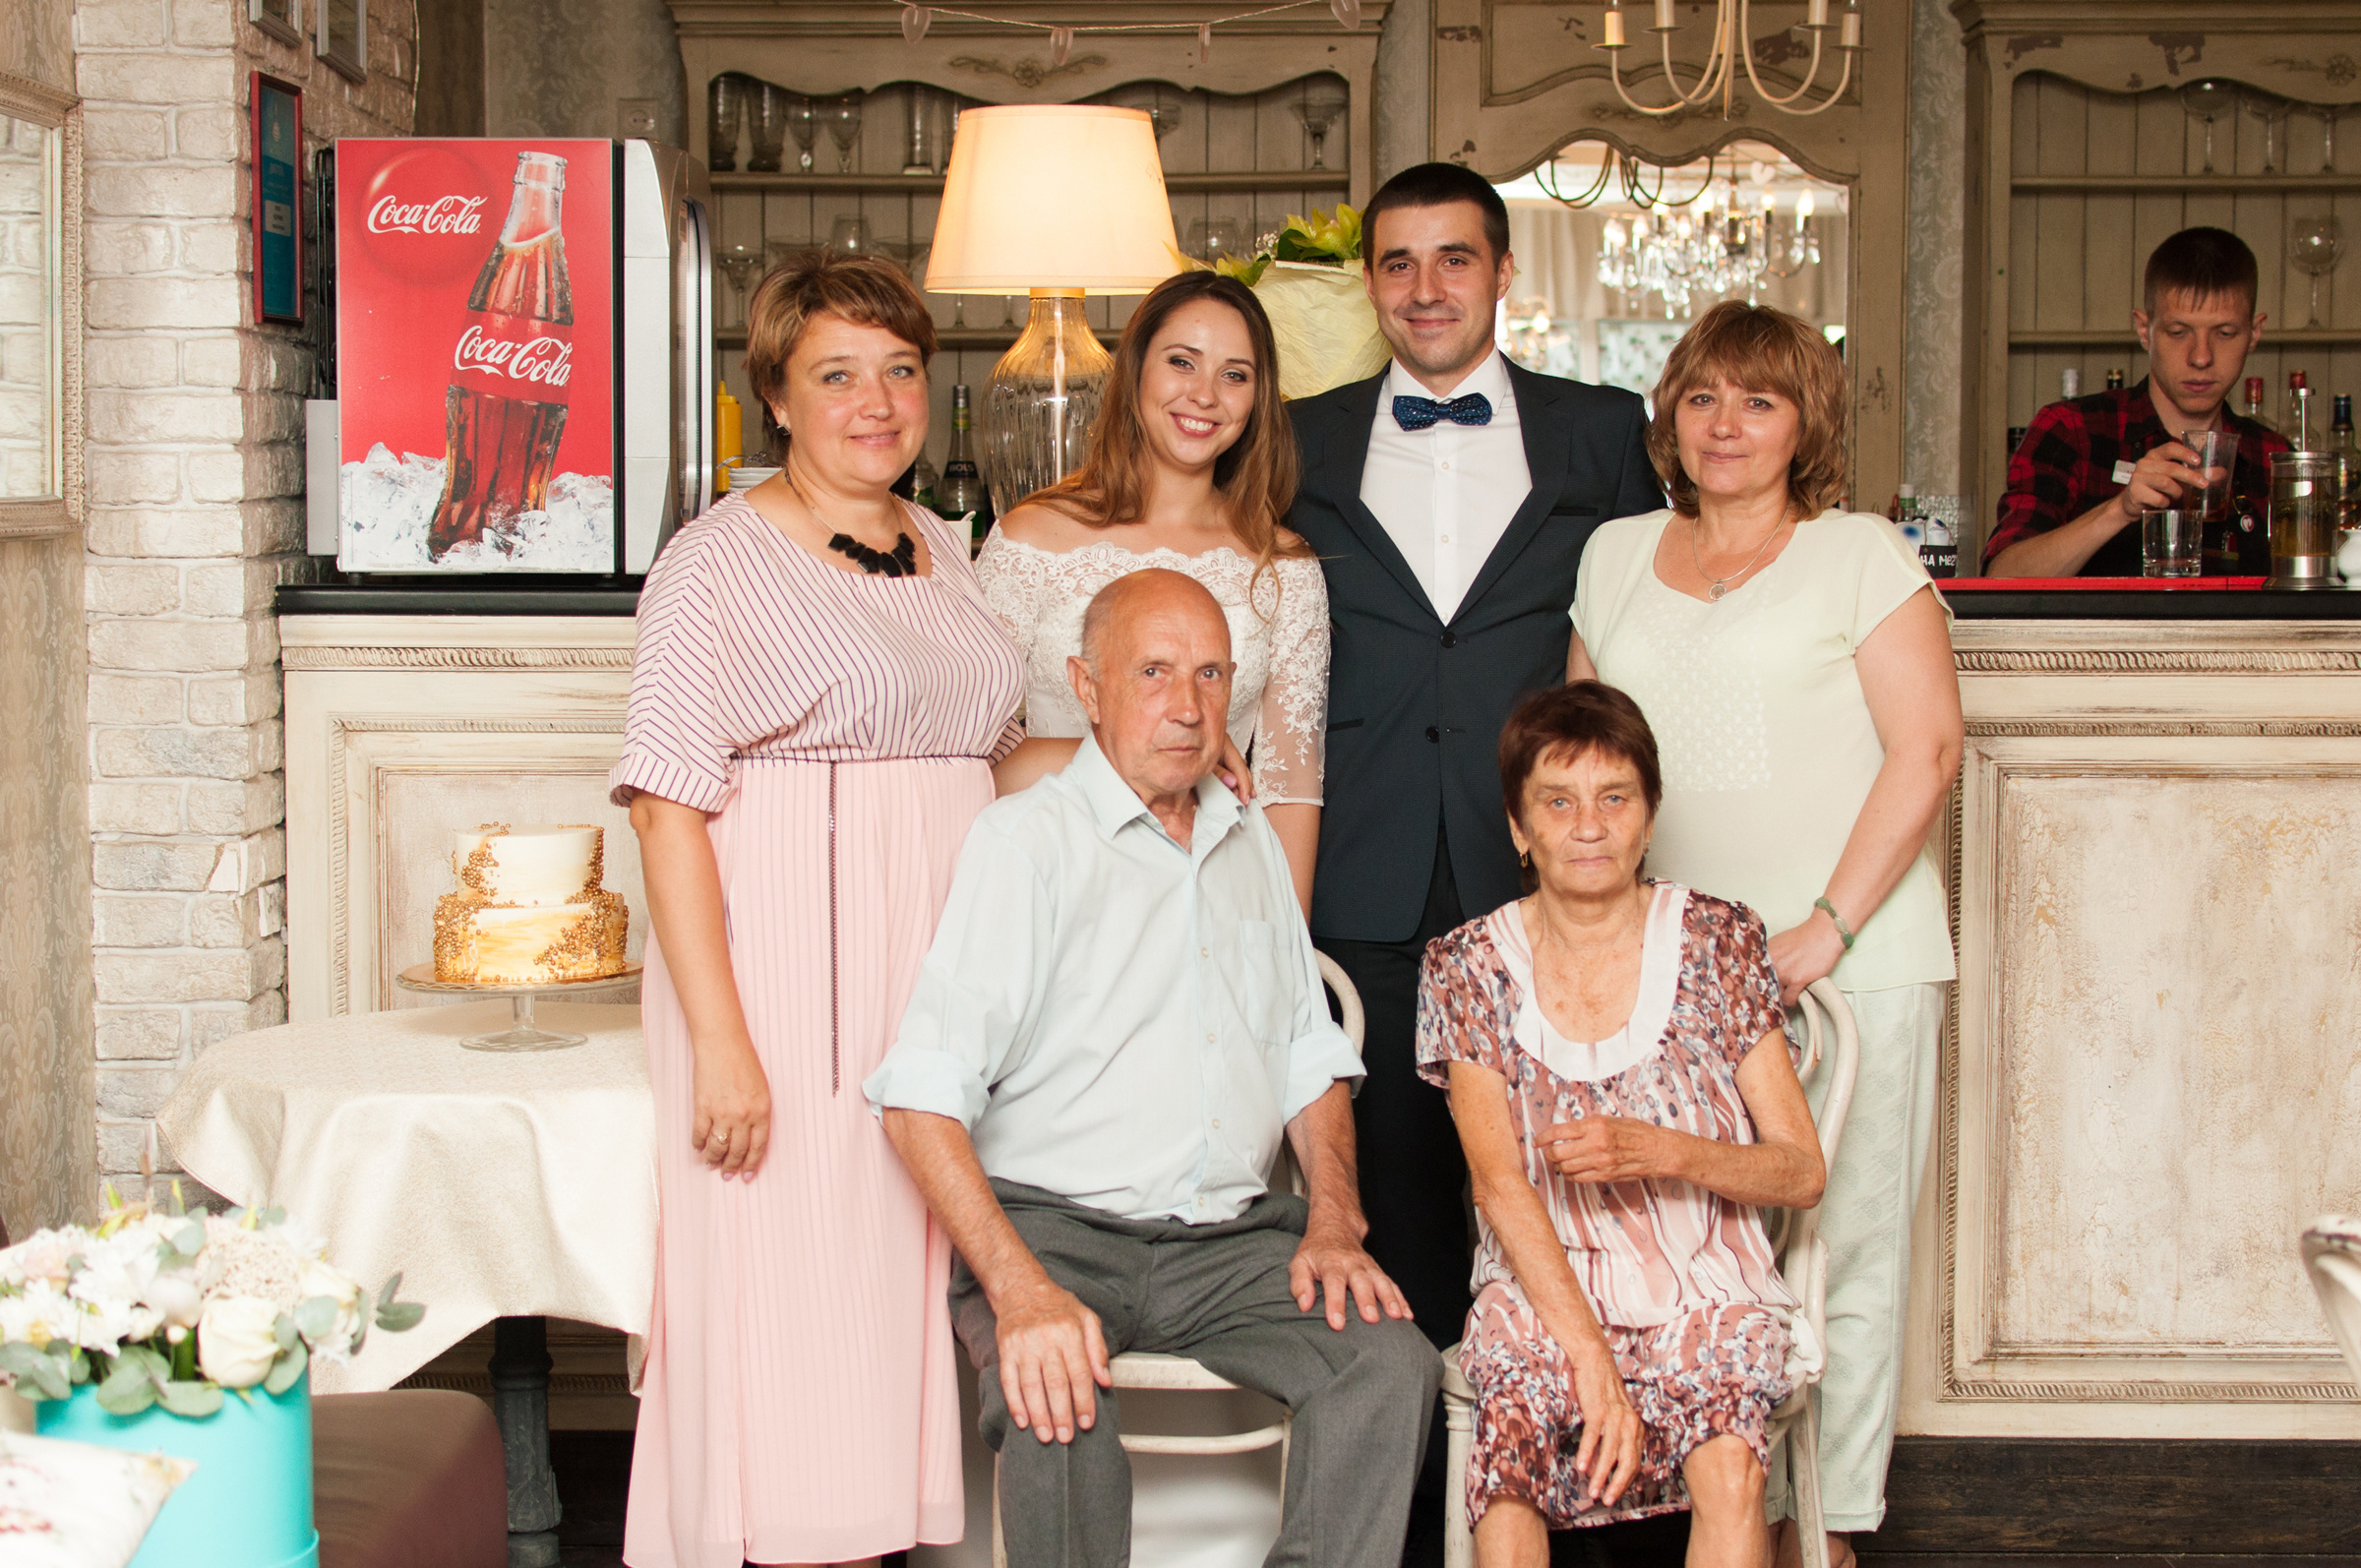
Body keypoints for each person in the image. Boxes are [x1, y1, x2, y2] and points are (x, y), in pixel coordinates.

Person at [867, 569, 1441, 1568]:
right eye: (1155, 672)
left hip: (1228, 1236)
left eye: (1211, 673)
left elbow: (1308, 1051)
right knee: (1057, 1390)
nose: (1189, 706)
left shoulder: (1247, 837)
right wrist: (1021, 1289)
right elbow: (919, 1098)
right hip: (1057, 1227)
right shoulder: (1027, 843)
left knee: (1390, 1362)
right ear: (1087, 689)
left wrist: (1334, 1217)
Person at [610, 252, 1023, 1568]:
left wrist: (1166, 751)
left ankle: (883, 1540)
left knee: (905, 1286)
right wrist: (724, 1038)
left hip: (935, 973)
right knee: (798, 1289)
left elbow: (991, 755)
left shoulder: (943, 547)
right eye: (837, 372)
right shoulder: (712, 562)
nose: (877, 399)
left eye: (901, 368)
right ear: (776, 396)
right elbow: (666, 805)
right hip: (791, 971)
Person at [1285, 158, 1665, 1561]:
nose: (1427, 286)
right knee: (1389, 1201)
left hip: (1543, 878)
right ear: (1370, 280)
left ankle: (1577, 1500)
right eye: (1398, 262)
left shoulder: (1602, 432)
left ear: (1505, 274)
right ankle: (1408, 1520)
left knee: (1561, 1190)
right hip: (1365, 866)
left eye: (1455, 258)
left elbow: (1641, 624)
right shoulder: (1304, 438)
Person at [1568, 301, 1963, 1568]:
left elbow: (1930, 748)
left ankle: (1830, 1528)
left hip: (1848, 962)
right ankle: (1732, 1515)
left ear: (1807, 425)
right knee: (1695, 1245)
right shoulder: (1618, 552)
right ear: (1668, 419)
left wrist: (1827, 927)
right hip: (1666, 973)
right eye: (1702, 399)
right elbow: (1589, 756)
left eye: (1760, 401)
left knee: (1842, 1250)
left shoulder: (1860, 556)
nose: (1726, 426)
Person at [1418, 681, 1827, 1565]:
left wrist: (1660, 1149)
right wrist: (1591, 1356)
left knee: (1728, 1467)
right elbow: (1497, 1183)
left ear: (1649, 815)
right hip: (1539, 1286)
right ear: (1520, 830)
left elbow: (1800, 1171)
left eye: (1614, 799)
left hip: (1705, 1287)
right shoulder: (1465, 965)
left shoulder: (1718, 940)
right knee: (1510, 1469)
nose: (1589, 827)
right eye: (1557, 803)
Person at [978, 270, 1328, 909]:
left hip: (1212, 892)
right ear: (1135, 370)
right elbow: (974, 763)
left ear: (1259, 397)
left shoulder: (1284, 565)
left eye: (1235, 374)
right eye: (1181, 363)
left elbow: (1290, 789)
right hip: (1050, 886)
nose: (1205, 395)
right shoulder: (1032, 539)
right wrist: (1172, 749)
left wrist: (1288, 958)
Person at [1983, 226, 2288, 576]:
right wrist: (2121, 509)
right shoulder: (2072, 430)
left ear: (2254, 333)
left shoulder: (2272, 454)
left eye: (2224, 333)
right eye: (2178, 332)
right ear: (2144, 331)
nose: (2201, 357)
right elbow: (2003, 577)